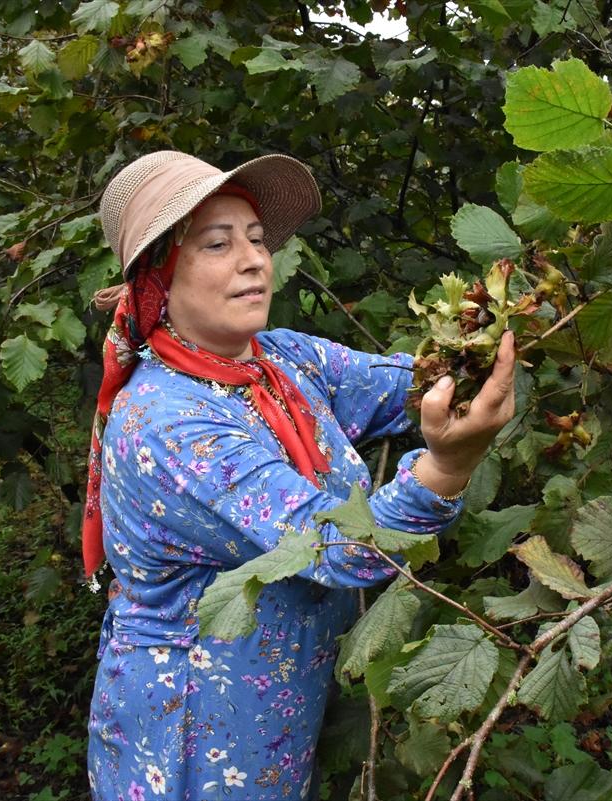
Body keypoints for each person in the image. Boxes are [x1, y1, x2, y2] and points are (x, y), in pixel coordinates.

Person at [83, 150, 515, 801]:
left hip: (273, 716)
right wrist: (448, 466)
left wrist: (494, 332)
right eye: (217, 243)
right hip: (192, 739)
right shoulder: (168, 425)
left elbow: (403, 381)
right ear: (159, 278)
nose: (255, 259)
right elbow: (335, 548)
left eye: (257, 238)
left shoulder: (280, 361)